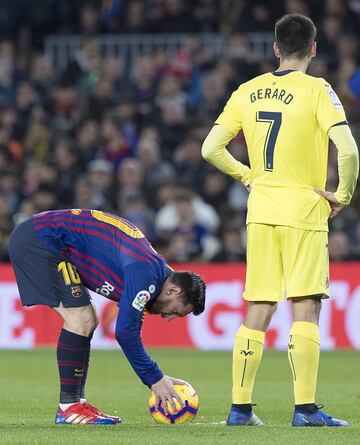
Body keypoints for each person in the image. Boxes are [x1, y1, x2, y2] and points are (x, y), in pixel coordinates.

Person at [202, 13, 358, 427]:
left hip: (262, 212)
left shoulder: (248, 90)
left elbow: (210, 148)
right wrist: (341, 195)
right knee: (305, 305)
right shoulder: (318, 90)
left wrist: (248, 175)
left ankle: (239, 409)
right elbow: (349, 151)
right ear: (313, 48)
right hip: (304, 211)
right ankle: (305, 410)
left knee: (259, 306)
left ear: (275, 48)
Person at [8, 209, 206, 425]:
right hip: (40, 240)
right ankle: (68, 408)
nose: (168, 318)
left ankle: (76, 404)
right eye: (176, 312)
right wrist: (155, 378)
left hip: (48, 238)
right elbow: (125, 332)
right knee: (81, 319)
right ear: (173, 291)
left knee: (87, 319)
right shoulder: (145, 274)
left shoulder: (153, 272)